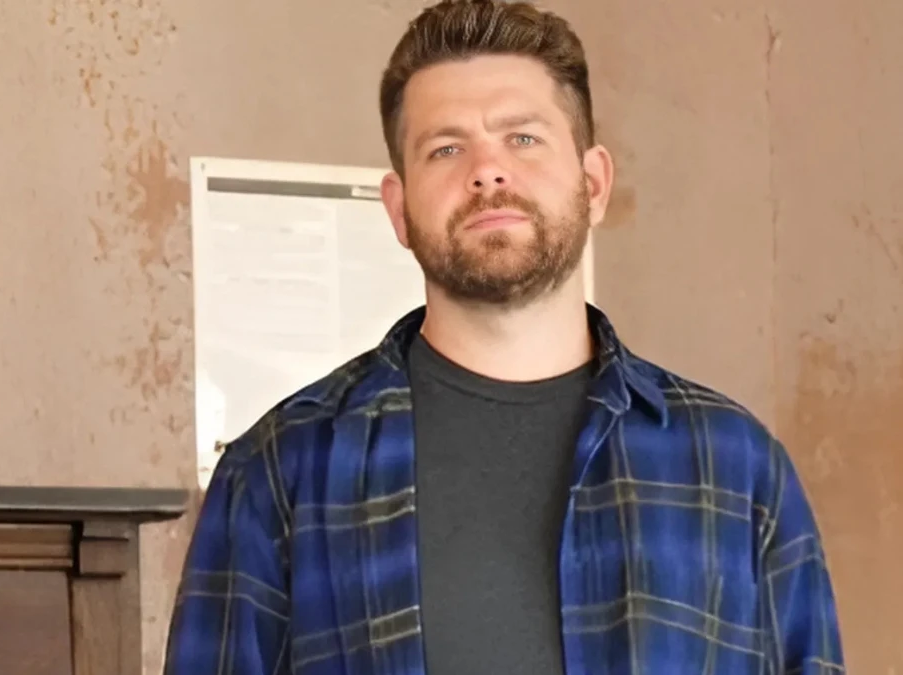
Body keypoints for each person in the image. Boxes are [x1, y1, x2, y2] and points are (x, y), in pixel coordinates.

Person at [163, 1, 845, 673]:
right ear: (399, 210)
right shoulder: (281, 470)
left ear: (593, 184)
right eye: (446, 148)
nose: (487, 171)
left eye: (522, 138)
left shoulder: (736, 466)